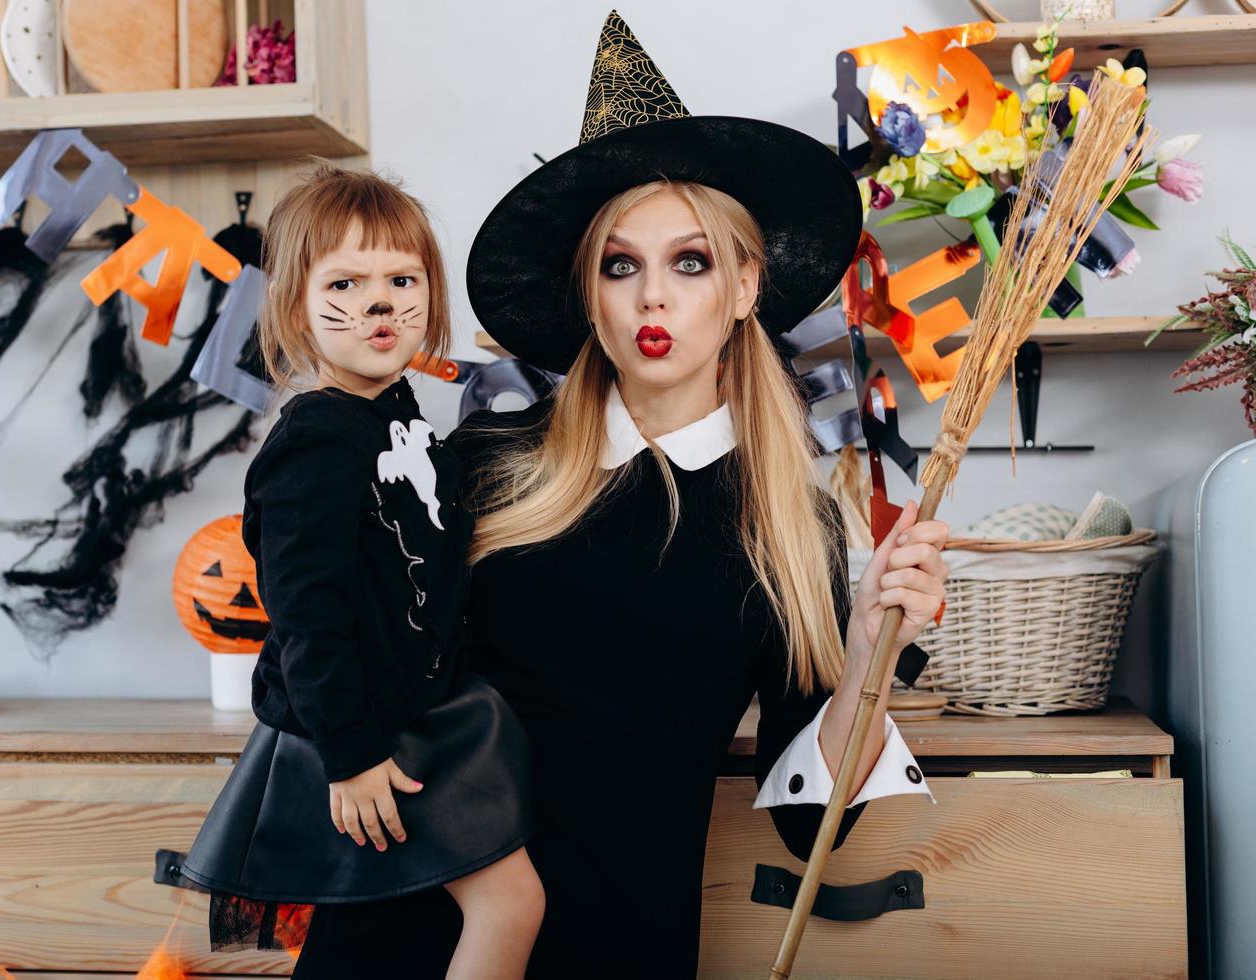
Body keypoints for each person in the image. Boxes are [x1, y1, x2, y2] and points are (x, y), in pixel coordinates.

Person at [289, 14, 950, 979]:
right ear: (588, 297)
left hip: (616, 938)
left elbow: (814, 829)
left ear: (742, 286)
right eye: (619, 265)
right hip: (403, 919)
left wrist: (869, 655)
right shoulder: (479, 461)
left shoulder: (791, 526)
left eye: (690, 262)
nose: (652, 298)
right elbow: (331, 615)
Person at [174, 165, 543, 979]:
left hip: (423, 708)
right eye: (346, 281)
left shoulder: (398, 418)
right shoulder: (317, 440)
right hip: (356, 727)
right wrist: (348, 754)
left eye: (402, 279)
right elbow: (307, 616)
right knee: (509, 902)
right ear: (296, 307)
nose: (380, 303)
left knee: (393, 934)